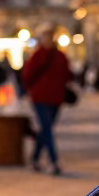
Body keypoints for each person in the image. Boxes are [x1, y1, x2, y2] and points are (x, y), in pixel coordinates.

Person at [22, 29, 72, 174]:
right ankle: (53, 161)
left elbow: (67, 75)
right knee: (47, 128)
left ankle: (35, 159)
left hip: (54, 97)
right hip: (41, 98)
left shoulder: (57, 56)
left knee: (46, 129)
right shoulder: (41, 56)